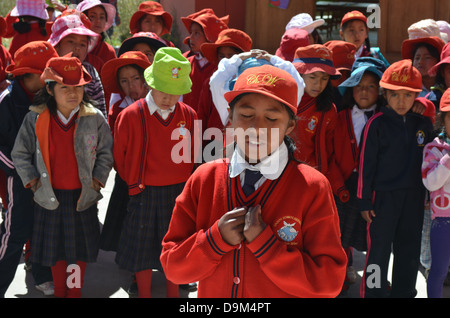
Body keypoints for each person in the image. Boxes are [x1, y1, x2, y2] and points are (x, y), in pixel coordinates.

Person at [160, 64, 347, 298]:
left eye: (271, 118)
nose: (257, 128)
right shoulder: (204, 179)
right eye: (246, 115)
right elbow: (172, 267)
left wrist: (266, 246)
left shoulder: (312, 187)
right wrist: (214, 239)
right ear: (230, 118)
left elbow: (328, 283)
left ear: (290, 126)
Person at [11, 54, 113, 298]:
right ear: (50, 89)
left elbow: (106, 154)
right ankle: (61, 290)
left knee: (77, 252)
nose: (72, 93)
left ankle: (74, 290)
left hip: (82, 198)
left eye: (77, 87)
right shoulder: (35, 118)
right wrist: (33, 182)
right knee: (55, 252)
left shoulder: (94, 118)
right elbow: (20, 153)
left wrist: (97, 182)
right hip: (49, 197)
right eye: (64, 87)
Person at [113, 47, 199, 298]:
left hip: (177, 192)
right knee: (141, 246)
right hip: (143, 190)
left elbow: (192, 155)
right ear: (151, 84)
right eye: (163, 90)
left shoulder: (189, 116)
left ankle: (174, 292)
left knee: (174, 246)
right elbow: (121, 155)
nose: (169, 98)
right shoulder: (130, 115)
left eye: (176, 92)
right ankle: (144, 292)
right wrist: (133, 181)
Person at [358, 59, 435, 298]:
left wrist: (429, 196)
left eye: (408, 95)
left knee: (409, 250)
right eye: (395, 95)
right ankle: (374, 293)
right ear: (385, 94)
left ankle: (404, 292)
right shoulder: (376, 124)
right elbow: (365, 166)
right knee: (378, 252)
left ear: (416, 96)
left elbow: (430, 160)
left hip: (413, 197)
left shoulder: (423, 124)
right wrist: (363, 201)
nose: (401, 102)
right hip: (382, 199)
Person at [0, 41, 59, 298]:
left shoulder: (51, 96)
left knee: (45, 228)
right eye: (44, 74)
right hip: (19, 181)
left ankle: (44, 275)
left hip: (49, 178)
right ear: (25, 75)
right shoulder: (6, 102)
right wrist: (24, 171)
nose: (49, 80)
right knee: (16, 231)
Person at [334, 57, 386, 293]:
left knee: (374, 237)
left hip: (374, 185)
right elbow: (332, 154)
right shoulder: (340, 117)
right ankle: (340, 279)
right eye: (359, 86)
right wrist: (338, 185)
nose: (364, 91)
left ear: (380, 90)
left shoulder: (386, 119)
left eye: (371, 86)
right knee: (340, 235)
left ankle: (376, 281)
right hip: (346, 183)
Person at [290, 44, 343, 202]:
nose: (318, 84)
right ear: (299, 74)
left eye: (324, 78)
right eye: (312, 77)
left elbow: (329, 150)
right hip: (280, 174)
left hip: (311, 178)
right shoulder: (284, 102)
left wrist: (336, 183)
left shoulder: (329, 110)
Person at [48, 11, 107, 117]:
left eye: (82, 44)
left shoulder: (90, 72)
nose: (77, 48)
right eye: (71, 42)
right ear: (57, 45)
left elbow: (100, 106)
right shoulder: (48, 71)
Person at [196, 28, 253, 138]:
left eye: (231, 56)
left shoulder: (250, 83)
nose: (226, 61)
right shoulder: (211, 82)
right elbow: (202, 113)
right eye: (221, 56)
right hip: (212, 139)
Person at [422, 88, 450, 298]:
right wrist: (447, 160)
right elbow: (431, 184)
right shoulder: (434, 148)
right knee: (438, 271)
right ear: (443, 120)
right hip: (442, 220)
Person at [180, 9, 228, 111]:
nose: (191, 37)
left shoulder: (219, 66)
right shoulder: (186, 62)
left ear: (210, 37)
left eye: (197, 33)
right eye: (191, 32)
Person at [77, 0, 118, 74]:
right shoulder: (72, 45)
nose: (98, 21)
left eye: (102, 17)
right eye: (92, 16)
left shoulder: (108, 51)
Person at [323, 40, 356, 111]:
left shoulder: (356, 96)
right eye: (338, 73)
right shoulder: (317, 96)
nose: (343, 77)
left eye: (348, 73)